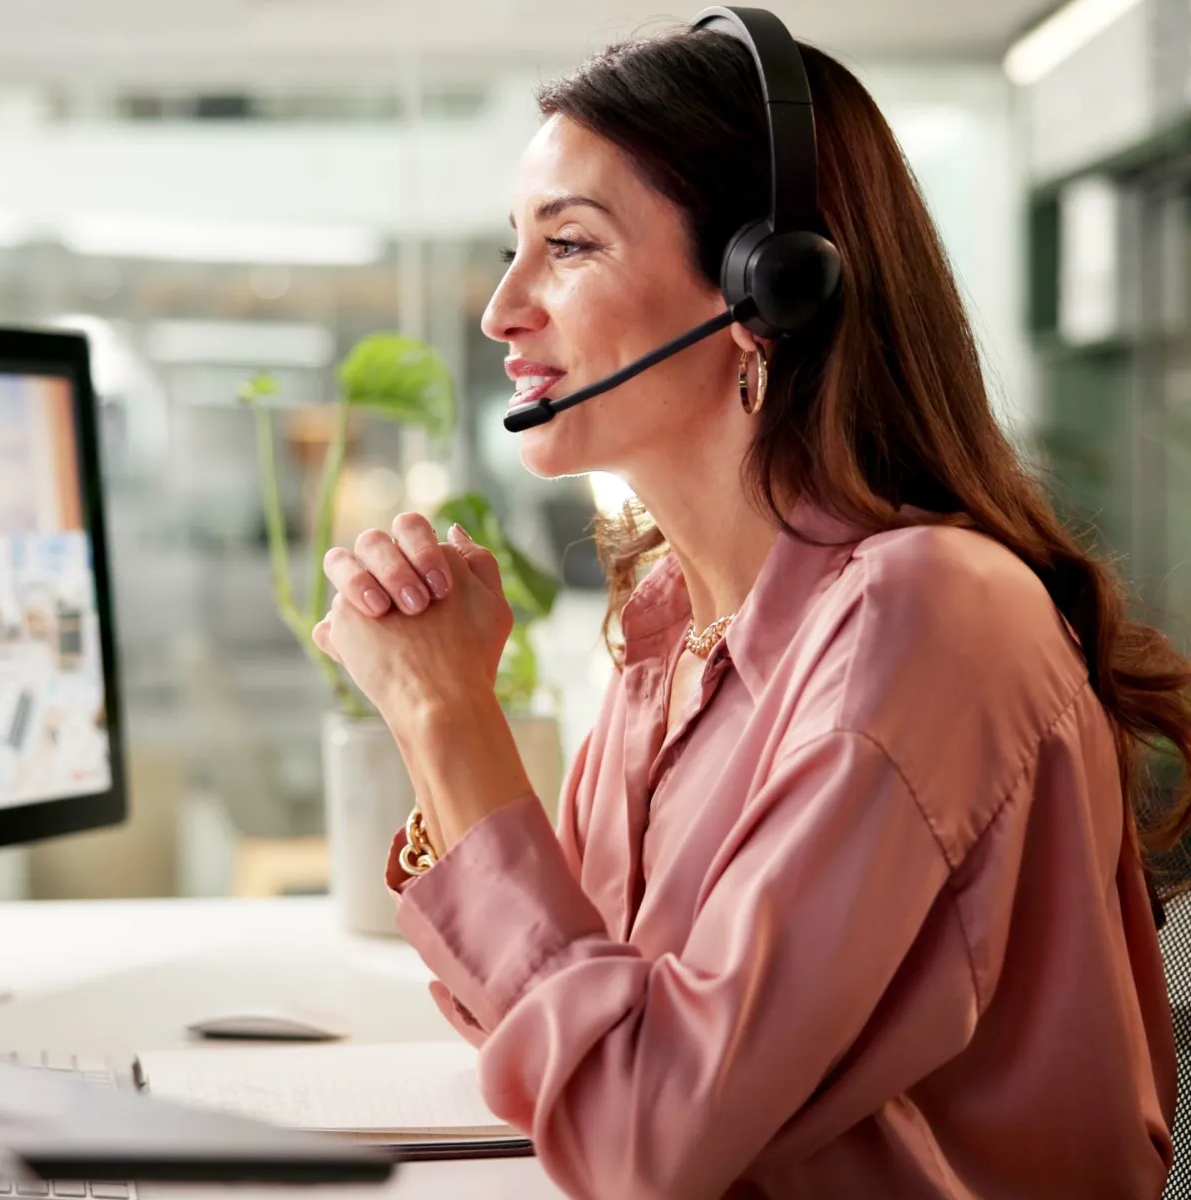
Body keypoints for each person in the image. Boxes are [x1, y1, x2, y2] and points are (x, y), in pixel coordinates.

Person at [309, 18, 1187, 1200]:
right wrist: (441, 756)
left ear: (767, 285)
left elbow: (637, 1139)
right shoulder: (671, 622)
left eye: (567, 245)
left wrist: (443, 715)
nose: (502, 310)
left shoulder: (921, 617)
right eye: (512, 247)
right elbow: (567, 1034)